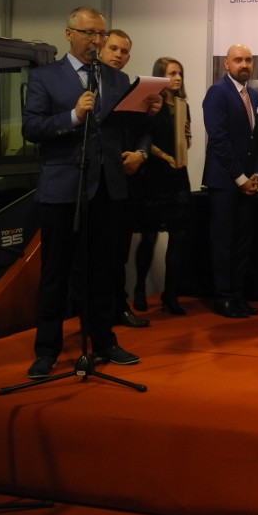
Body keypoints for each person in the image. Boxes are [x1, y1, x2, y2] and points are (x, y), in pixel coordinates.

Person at [21, 7, 141, 379]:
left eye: (101, 34)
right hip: (63, 189)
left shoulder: (118, 79)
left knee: (102, 270)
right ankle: (46, 350)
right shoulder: (45, 77)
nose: (97, 40)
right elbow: (31, 127)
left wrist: (145, 120)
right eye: (90, 33)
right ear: (69, 33)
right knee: (55, 272)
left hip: (107, 186)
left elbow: (128, 127)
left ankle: (103, 340)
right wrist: (73, 115)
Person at [202, 43, 258, 319]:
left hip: (248, 183)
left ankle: (238, 296)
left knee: (242, 243)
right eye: (238, 60)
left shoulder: (254, 95)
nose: (244, 64)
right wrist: (240, 178)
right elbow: (218, 140)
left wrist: (256, 174)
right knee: (223, 242)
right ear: (226, 64)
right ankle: (224, 298)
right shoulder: (217, 92)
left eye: (248, 60)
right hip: (225, 182)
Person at [99, 28, 151, 329]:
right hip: (94, 181)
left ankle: (119, 306)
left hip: (126, 181)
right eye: (113, 48)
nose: (118, 55)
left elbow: (144, 130)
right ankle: (97, 313)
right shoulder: (88, 84)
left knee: (120, 252)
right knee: (97, 255)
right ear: (101, 49)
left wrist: (140, 154)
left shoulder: (130, 86)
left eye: (124, 51)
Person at [133, 57, 193, 316]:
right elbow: (144, 139)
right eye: (172, 73)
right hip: (154, 176)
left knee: (178, 237)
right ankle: (139, 288)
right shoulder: (150, 104)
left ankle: (171, 293)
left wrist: (186, 138)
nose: (177, 78)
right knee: (149, 237)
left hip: (177, 176)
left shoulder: (182, 105)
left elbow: (185, 144)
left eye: (180, 73)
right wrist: (165, 156)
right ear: (160, 76)